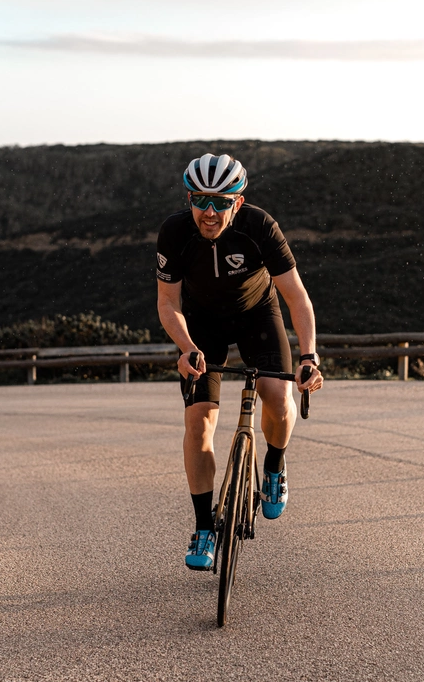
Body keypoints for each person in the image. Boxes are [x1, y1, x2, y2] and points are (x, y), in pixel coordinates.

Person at [156, 153, 324, 571]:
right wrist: (186, 347)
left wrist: (308, 357)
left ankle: (273, 465)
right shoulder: (175, 232)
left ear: (239, 201)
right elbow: (167, 302)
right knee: (199, 421)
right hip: (201, 326)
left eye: (221, 201)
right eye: (200, 200)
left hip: (257, 315)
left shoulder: (259, 227)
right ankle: (204, 527)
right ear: (190, 199)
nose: (209, 212)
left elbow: (297, 298)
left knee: (276, 396)